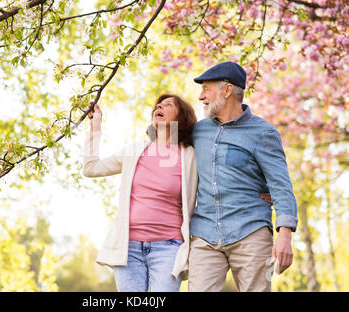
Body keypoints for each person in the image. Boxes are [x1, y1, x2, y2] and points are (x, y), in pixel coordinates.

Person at [188, 61, 298, 292]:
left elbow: (280, 184)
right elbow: (164, 138)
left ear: (227, 90)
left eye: (206, 88)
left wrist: (285, 235)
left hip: (250, 232)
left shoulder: (263, 133)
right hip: (204, 234)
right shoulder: (199, 131)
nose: (201, 96)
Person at [83, 94, 198, 292]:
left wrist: (261, 190)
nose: (159, 107)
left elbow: (218, 182)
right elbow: (91, 168)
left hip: (169, 248)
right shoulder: (135, 150)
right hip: (128, 249)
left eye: (168, 105)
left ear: (182, 118)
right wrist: (95, 126)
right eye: (158, 105)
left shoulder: (190, 156)